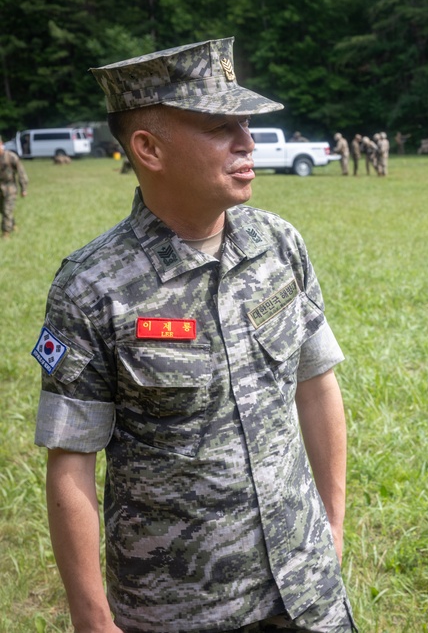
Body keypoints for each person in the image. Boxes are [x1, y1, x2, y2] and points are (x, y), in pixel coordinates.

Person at [33, 37, 356, 633]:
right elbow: (71, 459)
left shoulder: (278, 246)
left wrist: (332, 527)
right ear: (149, 148)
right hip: (180, 608)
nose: (248, 142)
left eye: (245, 123)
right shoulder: (92, 287)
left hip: (307, 590)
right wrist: (92, 621)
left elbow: (316, 384)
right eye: (218, 126)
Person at [0, 135, 29, 238]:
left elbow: (21, 173)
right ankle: (13, 225)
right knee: (3, 210)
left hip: (10, 188)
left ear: (2, 144)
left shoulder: (11, 156)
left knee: (7, 210)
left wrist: (24, 188)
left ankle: (5, 233)